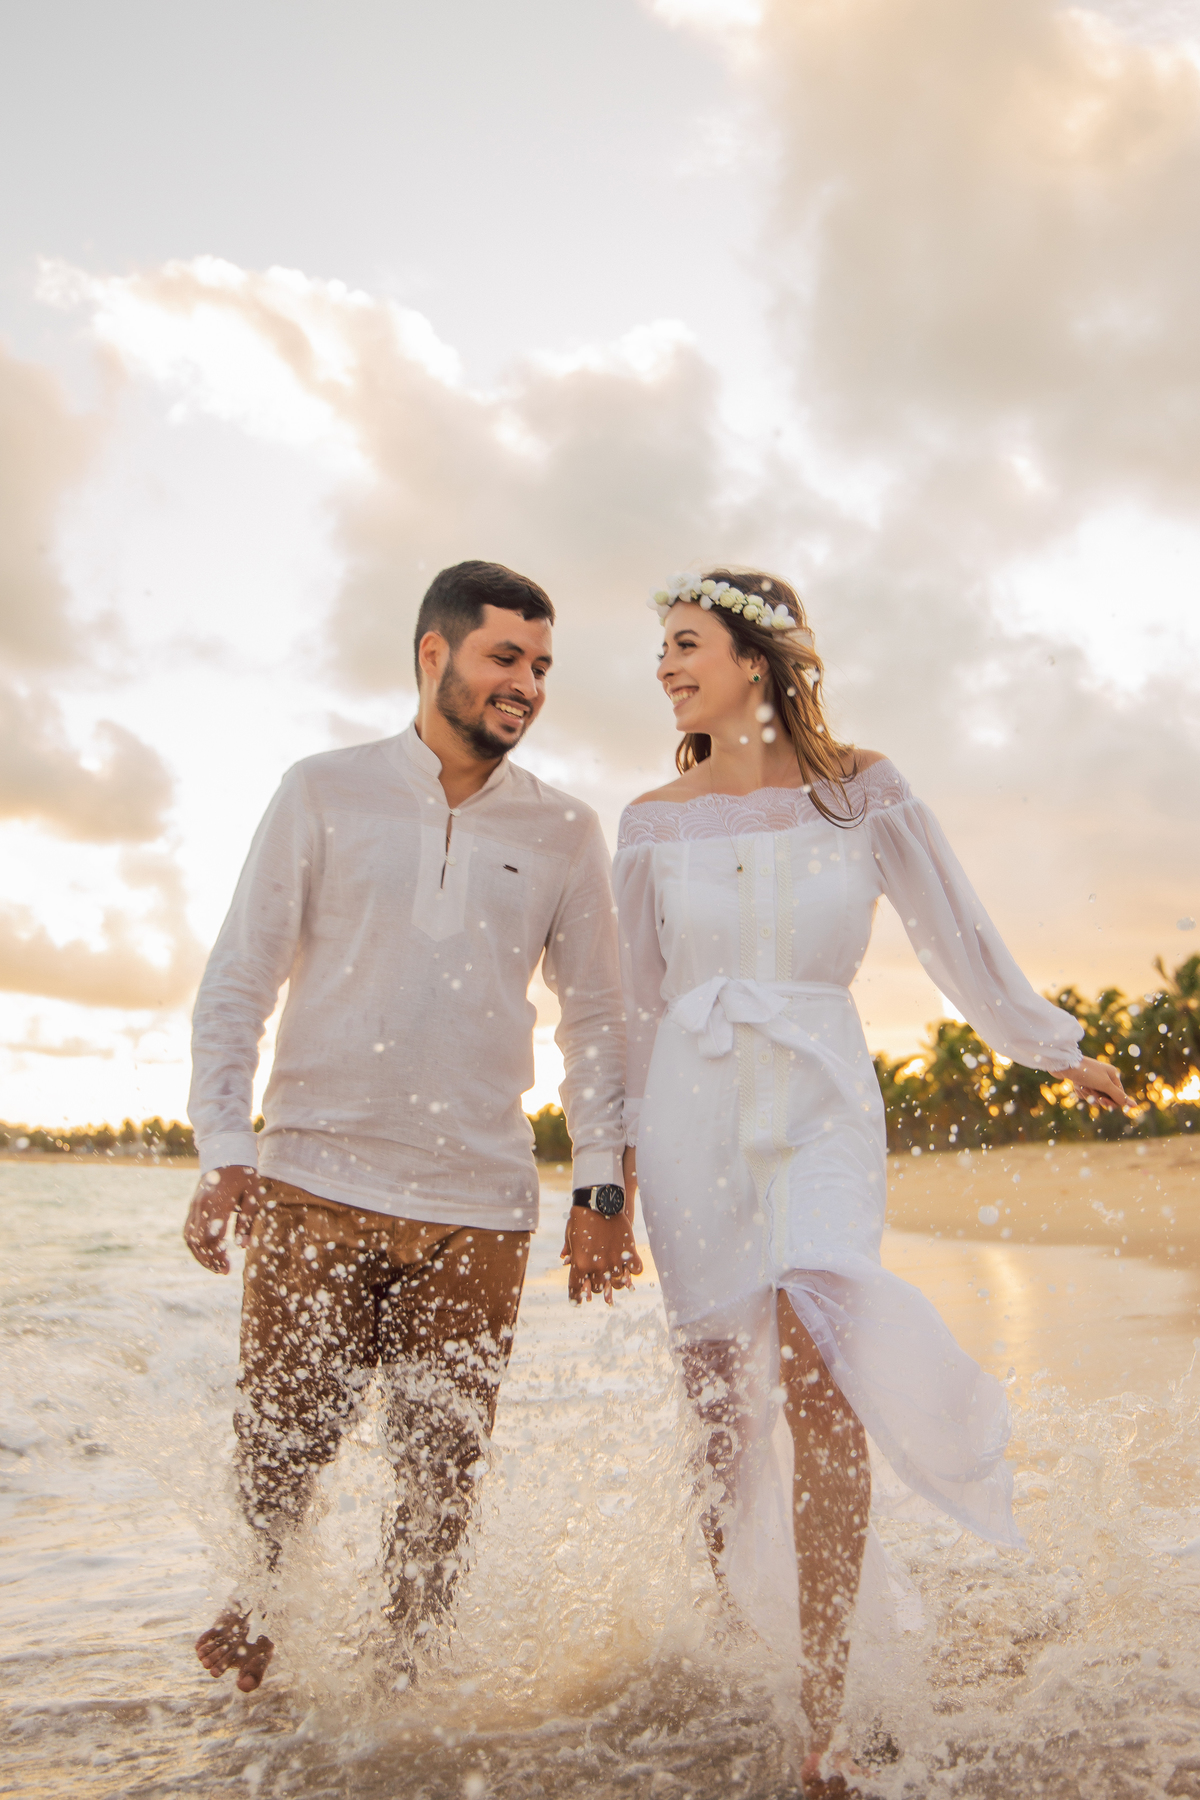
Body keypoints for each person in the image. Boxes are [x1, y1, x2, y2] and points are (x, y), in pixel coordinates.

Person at [613, 569, 1125, 1798]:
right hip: (693, 1110)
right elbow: (629, 1010)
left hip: (822, 1102)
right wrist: (607, 1179)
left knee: (822, 1370)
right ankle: (745, 1648)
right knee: (723, 1417)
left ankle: (823, 1707)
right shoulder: (648, 820)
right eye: (665, 650)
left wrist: (1049, 1043)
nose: (668, 667)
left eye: (686, 644)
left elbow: (956, 927)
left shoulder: (863, 793)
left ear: (756, 656)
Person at [183, 559, 640, 1694]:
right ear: (434, 655)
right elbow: (241, 974)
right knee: (280, 1453)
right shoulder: (323, 790)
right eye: (504, 658)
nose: (526, 685)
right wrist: (225, 1152)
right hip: (315, 1184)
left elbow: (598, 1023)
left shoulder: (568, 830)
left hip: (478, 1208)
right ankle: (256, 1656)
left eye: (540, 667)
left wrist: (599, 1191)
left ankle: (404, 1699)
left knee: (441, 1482)